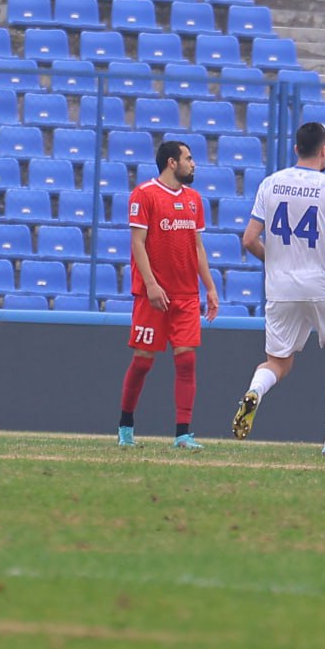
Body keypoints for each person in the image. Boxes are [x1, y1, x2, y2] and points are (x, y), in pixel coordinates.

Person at [231, 122, 325, 458]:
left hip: (281, 284)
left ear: (296, 149)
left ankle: (254, 391)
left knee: (278, 362)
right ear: (324, 150)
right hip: (322, 282)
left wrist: (275, 261)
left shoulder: (271, 183)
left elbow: (249, 239)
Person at [118, 140, 219, 449]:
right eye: (189, 158)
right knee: (143, 362)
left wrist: (210, 287)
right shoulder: (144, 195)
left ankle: (183, 434)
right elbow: (138, 243)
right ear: (172, 163)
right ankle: (125, 425)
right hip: (153, 296)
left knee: (187, 362)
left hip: (186, 295)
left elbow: (197, 247)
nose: (194, 164)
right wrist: (150, 285)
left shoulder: (194, 200)